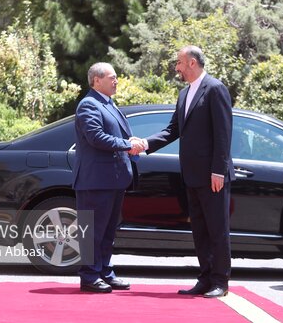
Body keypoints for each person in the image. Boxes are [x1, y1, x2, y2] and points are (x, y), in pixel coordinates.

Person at [138, 45, 234, 298]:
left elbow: (223, 134)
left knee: (217, 229)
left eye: (179, 63)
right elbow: (173, 130)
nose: (176, 68)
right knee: (200, 230)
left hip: (213, 176)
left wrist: (218, 171)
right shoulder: (184, 94)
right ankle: (205, 278)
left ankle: (220, 281)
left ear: (192, 62)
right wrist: (145, 144)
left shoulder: (215, 89)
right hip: (191, 175)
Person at [73, 62, 143, 293]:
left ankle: (104, 271)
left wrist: (130, 142)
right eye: (112, 77)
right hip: (96, 180)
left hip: (113, 179)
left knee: (107, 232)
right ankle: (90, 276)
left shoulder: (108, 104)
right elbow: (96, 137)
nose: (116, 81)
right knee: (92, 231)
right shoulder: (89, 105)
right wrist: (127, 145)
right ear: (96, 80)